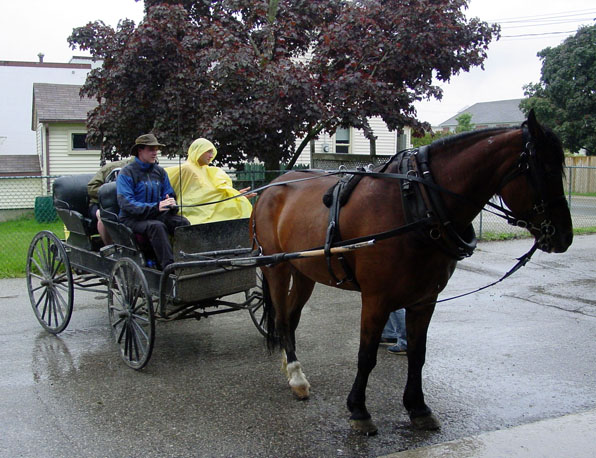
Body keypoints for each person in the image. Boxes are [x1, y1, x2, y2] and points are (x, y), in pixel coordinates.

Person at [116, 134, 190, 269]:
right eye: (151, 149)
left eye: (156, 149)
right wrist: (156, 207)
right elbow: (126, 203)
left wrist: (171, 203)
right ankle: (169, 268)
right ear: (140, 150)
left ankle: (188, 260)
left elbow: (168, 193)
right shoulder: (126, 173)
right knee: (156, 226)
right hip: (132, 218)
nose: (155, 152)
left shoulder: (160, 172)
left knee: (182, 222)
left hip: (156, 214)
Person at [165, 138, 253, 225]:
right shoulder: (187, 168)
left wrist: (234, 195)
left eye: (212, 152)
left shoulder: (207, 170)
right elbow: (163, 177)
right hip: (194, 211)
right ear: (198, 151)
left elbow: (210, 194)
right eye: (208, 152)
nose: (211, 156)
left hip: (208, 209)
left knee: (239, 206)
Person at [87, 156, 135, 244]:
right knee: (102, 216)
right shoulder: (110, 168)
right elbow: (91, 187)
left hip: (125, 204)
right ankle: (109, 247)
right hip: (99, 204)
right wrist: (109, 194)